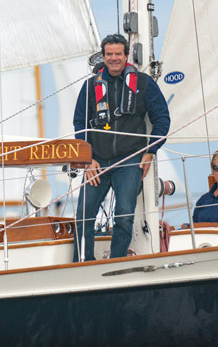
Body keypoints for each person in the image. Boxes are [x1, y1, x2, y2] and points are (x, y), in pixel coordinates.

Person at [72, 34, 171, 262]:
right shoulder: (90, 87)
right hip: (96, 161)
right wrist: (87, 158)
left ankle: (117, 262)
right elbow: (80, 123)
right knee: (83, 215)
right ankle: (83, 263)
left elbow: (162, 119)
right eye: (109, 54)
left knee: (124, 215)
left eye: (118, 54)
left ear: (126, 56)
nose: (113, 58)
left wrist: (151, 151)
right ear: (103, 56)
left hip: (129, 160)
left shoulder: (144, 83)